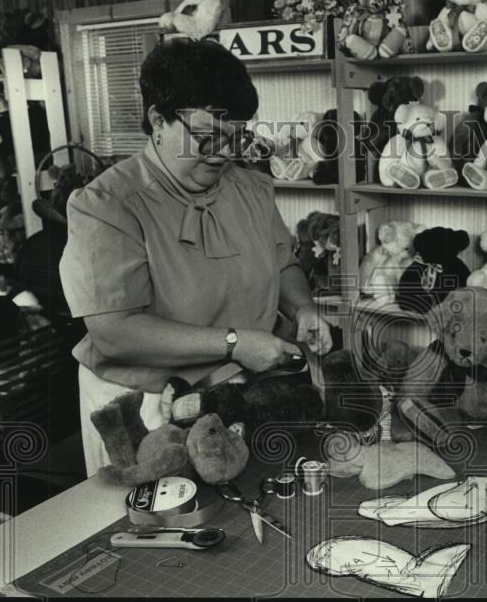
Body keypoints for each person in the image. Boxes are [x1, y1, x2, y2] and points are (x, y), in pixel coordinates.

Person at [60, 38, 332, 476]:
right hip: (143, 408)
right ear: (158, 120)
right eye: (207, 138)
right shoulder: (105, 206)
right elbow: (114, 330)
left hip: (236, 392)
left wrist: (301, 308)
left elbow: (282, 263)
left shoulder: (251, 189)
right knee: (153, 528)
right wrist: (233, 343)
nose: (225, 153)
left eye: (236, 137)